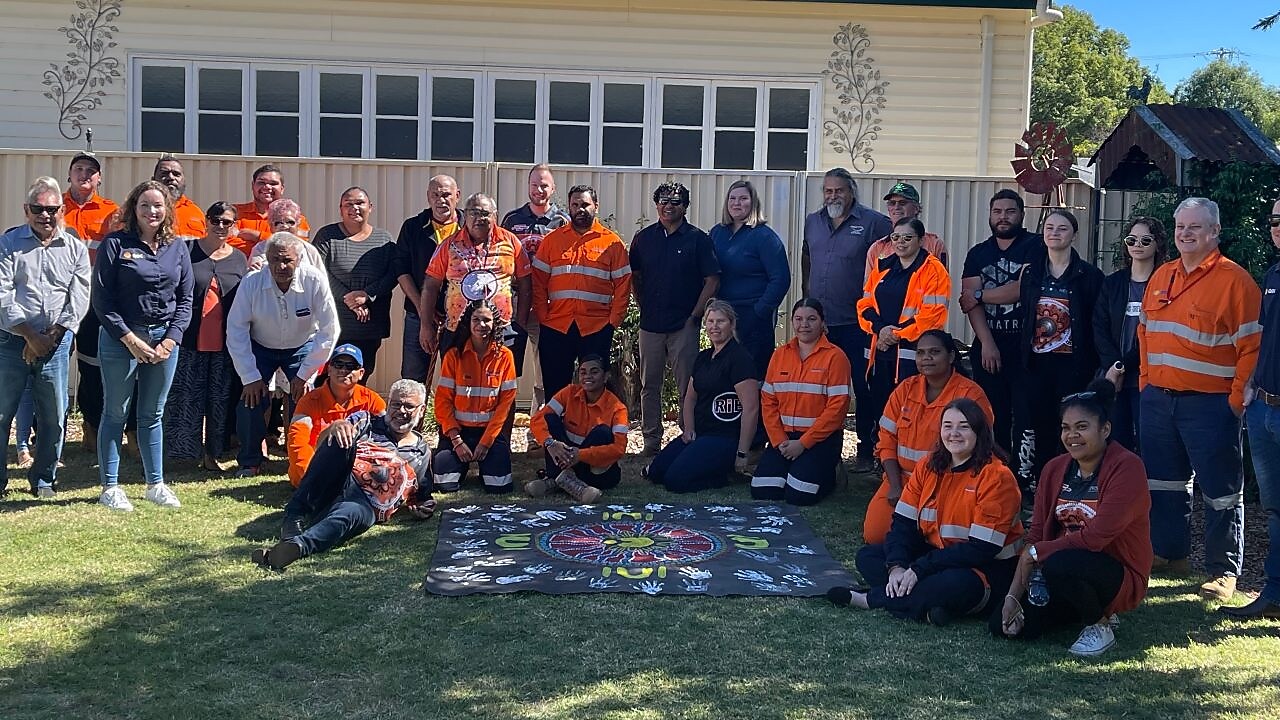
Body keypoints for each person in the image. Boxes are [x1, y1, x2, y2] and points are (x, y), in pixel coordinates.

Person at [1139, 197, 1260, 602]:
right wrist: (1145, 382)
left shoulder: (1235, 281)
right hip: (1159, 400)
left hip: (1211, 405)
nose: (1186, 234)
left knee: (1221, 491)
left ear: (1214, 232)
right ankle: (1170, 554)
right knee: (1164, 483)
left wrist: (1236, 400)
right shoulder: (1162, 275)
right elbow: (1143, 332)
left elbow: (1252, 347)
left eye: (1195, 227)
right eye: (1180, 227)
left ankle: (1223, 572)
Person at [993, 379, 1152, 657]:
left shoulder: (1127, 467)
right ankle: (1081, 608)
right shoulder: (1055, 468)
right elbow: (1037, 533)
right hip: (1058, 568)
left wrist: (1037, 552)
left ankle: (1099, 625)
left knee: (1060, 563)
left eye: (1082, 427)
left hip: (1115, 573)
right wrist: (1012, 598)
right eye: (1066, 428)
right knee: (1005, 626)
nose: (1072, 436)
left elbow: (1096, 537)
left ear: (1105, 429)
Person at [830, 398, 1023, 625]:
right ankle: (931, 607)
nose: (954, 433)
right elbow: (902, 524)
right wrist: (897, 567)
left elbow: (981, 550)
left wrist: (919, 569)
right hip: (936, 556)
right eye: (948, 426)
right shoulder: (928, 465)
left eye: (964, 426)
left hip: (985, 568)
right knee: (868, 556)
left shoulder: (997, 477)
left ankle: (872, 599)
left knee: (952, 583)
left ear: (979, 432)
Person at [254, 380, 434, 571]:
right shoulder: (366, 421)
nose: (401, 411)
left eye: (409, 406)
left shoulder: (422, 453)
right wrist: (334, 428)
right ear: (388, 403)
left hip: (365, 503)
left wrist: (422, 508)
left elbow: (422, 498)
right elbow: (322, 448)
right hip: (338, 480)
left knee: (351, 515)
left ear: (421, 410)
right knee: (340, 437)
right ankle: (294, 515)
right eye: (396, 404)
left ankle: (296, 548)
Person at [92, 180, 194, 512]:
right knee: (116, 412)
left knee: (152, 414)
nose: (152, 212)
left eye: (158, 206)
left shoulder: (177, 247)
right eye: (145, 205)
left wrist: (170, 340)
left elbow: (185, 300)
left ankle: (155, 484)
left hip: (164, 340)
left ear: (168, 211)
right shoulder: (115, 243)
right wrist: (130, 339)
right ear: (133, 209)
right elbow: (102, 300)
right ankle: (110, 486)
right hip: (122, 339)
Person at [0, 177, 91, 497]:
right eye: (38, 208)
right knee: (2, 413)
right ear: (27, 210)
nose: (45, 215)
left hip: (56, 342)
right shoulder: (8, 243)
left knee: (53, 415)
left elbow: (79, 296)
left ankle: (43, 479)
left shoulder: (75, 247)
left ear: (61, 210)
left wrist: (52, 336)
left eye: (52, 209)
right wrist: (28, 336)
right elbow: (3, 293)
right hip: (11, 341)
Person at [863, 330, 992, 544]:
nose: (926, 358)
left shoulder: (971, 394)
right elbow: (885, 441)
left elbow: (979, 449)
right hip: (902, 479)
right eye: (920, 353)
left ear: (951, 356)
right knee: (875, 536)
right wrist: (895, 485)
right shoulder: (905, 389)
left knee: (936, 540)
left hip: (947, 482)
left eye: (934, 352)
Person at [226, 232, 340, 477]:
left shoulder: (315, 280)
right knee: (250, 399)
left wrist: (305, 374)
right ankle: (250, 461)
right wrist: (250, 376)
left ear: (299, 259)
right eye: (275, 259)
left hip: (301, 346)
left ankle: (300, 456)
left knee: (303, 398)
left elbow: (330, 330)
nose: (281, 266)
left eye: (287, 260)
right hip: (260, 346)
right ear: (266, 259)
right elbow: (236, 329)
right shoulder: (252, 282)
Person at [802, 168, 892, 472]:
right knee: (821, 388)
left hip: (858, 324)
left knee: (864, 387)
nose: (832, 196)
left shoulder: (874, 223)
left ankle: (868, 451)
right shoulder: (813, 221)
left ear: (851, 191)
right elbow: (807, 259)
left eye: (838, 190)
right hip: (821, 323)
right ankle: (823, 448)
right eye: (828, 191)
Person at [1010, 209, 1103, 494]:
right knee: (1038, 426)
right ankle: (1040, 488)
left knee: (1070, 426)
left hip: (1073, 366)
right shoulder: (1031, 273)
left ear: (1073, 234)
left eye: (1062, 228)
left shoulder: (1089, 275)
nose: (1054, 233)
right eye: (1049, 227)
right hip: (1037, 363)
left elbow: (1095, 322)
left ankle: (1071, 485)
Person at [630, 181, 720, 455]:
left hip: (684, 325)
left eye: (675, 202)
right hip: (651, 326)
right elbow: (634, 276)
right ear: (656, 204)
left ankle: (687, 437)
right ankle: (650, 442)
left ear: (685, 206)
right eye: (663, 201)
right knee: (649, 386)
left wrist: (696, 315)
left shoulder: (698, 239)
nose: (668, 206)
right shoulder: (643, 238)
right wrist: (642, 305)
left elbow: (713, 279)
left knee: (688, 386)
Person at [1222, 197, 1280, 619]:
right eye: (1275, 219)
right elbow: (1262, 339)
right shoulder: (1273, 274)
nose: (1277, 226)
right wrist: (1250, 388)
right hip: (1264, 409)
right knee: (1275, 508)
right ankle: (1273, 594)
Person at [163, 201, 247, 471]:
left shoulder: (238, 259)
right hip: (189, 339)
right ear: (206, 221)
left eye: (227, 222)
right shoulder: (187, 250)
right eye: (215, 220)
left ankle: (213, 454)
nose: (220, 226)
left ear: (234, 226)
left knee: (219, 401)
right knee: (185, 398)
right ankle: (183, 455)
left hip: (224, 345)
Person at [958, 189, 1043, 453]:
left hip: (1027, 346)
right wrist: (987, 343)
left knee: (1028, 415)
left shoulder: (1036, 246)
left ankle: (1025, 475)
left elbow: (1022, 289)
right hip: (989, 343)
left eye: (1010, 211)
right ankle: (996, 469)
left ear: (1021, 214)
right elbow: (969, 302)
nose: (1003, 217)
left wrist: (982, 294)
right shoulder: (978, 253)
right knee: (992, 414)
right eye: (997, 212)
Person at [645, 300, 759, 493]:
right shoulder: (703, 357)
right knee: (655, 473)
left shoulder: (740, 359)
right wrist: (689, 429)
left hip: (725, 437)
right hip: (700, 434)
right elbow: (690, 398)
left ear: (732, 325)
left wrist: (742, 452)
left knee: (676, 481)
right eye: (710, 321)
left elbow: (751, 408)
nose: (715, 326)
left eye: (720, 321)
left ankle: (724, 476)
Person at [530, 185, 631, 399]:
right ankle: (557, 431)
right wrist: (542, 314)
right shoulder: (552, 240)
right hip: (557, 325)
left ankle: (592, 431)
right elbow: (538, 282)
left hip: (596, 327)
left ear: (596, 206)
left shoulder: (612, 243)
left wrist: (614, 320)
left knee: (594, 390)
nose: (580, 209)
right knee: (556, 391)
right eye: (575, 205)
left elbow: (623, 284)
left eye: (585, 204)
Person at [856, 216, 951, 439]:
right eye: (896, 237)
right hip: (879, 353)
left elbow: (932, 315)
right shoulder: (882, 267)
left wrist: (894, 334)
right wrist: (880, 330)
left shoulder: (934, 271)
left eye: (908, 237)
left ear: (920, 241)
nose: (900, 242)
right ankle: (883, 461)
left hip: (913, 356)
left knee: (911, 411)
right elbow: (864, 305)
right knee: (882, 409)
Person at [752, 299, 851, 506]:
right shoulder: (779, 355)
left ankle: (830, 473)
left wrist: (803, 444)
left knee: (799, 496)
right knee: (763, 490)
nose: (804, 325)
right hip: (785, 439)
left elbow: (837, 409)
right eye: (798, 319)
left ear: (823, 323)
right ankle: (794, 469)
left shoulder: (836, 357)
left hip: (819, 439)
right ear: (792, 321)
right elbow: (768, 401)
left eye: (811, 319)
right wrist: (779, 441)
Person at [419, 193, 531, 366]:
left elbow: (525, 283)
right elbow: (430, 286)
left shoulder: (511, 242)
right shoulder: (449, 245)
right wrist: (426, 326)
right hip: (457, 329)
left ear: (495, 216)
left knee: (501, 385)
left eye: (485, 213)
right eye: (474, 212)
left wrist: (521, 323)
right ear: (465, 215)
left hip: (503, 328)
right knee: (457, 384)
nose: (480, 218)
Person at [501, 164, 569, 429]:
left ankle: (538, 431)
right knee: (507, 365)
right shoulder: (511, 219)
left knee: (545, 370)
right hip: (513, 303)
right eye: (534, 185)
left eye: (544, 185)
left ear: (553, 189)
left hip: (547, 304)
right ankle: (501, 428)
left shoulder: (562, 221)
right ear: (527, 186)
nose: (539, 190)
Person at [1093, 217, 1168, 452]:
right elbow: (1099, 326)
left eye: (1146, 240)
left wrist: (1121, 366)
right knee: (1116, 441)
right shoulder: (1113, 283)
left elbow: (1153, 332)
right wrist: (1113, 366)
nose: (1138, 244)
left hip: (1148, 377)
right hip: (1113, 378)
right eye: (1131, 239)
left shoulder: (1166, 284)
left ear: (1158, 244)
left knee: (1150, 443)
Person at [312, 187, 398, 380]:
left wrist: (366, 295)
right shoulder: (327, 236)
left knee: (359, 378)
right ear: (340, 209)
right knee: (325, 380)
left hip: (369, 327)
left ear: (370, 207)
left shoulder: (383, 239)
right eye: (348, 204)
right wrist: (349, 299)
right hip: (332, 325)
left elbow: (393, 274)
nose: (354, 208)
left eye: (360, 203)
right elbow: (318, 272)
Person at [63, 152, 118, 450]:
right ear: (69, 174)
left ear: (99, 178)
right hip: (59, 298)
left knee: (91, 365)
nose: (85, 174)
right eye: (79, 169)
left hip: (95, 299)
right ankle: (43, 434)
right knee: (51, 365)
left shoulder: (111, 211)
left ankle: (91, 426)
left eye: (91, 170)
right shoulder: (55, 208)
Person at [431, 301, 517, 494]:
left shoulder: (505, 357)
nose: (481, 325)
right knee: (444, 485)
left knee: (499, 487)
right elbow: (443, 400)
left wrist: (486, 443)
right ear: (468, 323)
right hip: (458, 433)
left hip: (489, 434)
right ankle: (459, 465)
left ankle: (486, 469)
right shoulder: (454, 355)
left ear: (495, 323)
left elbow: (505, 407)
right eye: (476, 319)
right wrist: (456, 441)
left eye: (487, 320)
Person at [709, 180, 790, 379]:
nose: (737, 203)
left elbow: (781, 279)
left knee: (752, 375)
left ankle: (756, 412)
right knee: (725, 374)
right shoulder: (717, 233)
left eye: (743, 198)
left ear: (753, 203)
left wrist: (760, 311)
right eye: (733, 198)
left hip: (754, 317)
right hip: (723, 316)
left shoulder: (764, 237)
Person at [526, 355, 629, 503]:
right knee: (550, 419)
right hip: (565, 458)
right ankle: (570, 483)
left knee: (603, 432)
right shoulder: (569, 392)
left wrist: (580, 455)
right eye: (583, 372)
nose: (588, 376)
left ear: (605, 376)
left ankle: (556, 481)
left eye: (594, 372)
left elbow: (618, 449)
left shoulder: (617, 408)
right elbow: (537, 419)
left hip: (593, 468)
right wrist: (550, 443)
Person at [287, 343, 386, 487]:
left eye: (351, 366)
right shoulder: (309, 401)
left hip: (357, 472)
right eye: (338, 364)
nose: (344, 370)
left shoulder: (372, 400)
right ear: (329, 369)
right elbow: (297, 443)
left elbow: (386, 440)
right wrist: (312, 478)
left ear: (361, 373)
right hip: (314, 470)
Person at [397, 174, 462, 382]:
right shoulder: (413, 227)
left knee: (458, 378)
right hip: (418, 316)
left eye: (446, 195)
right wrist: (422, 309)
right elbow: (401, 270)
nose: (441, 200)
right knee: (413, 379)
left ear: (457, 196)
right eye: (435, 195)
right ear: (428, 197)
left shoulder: (469, 228)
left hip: (459, 318)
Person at [864, 181, 948, 273]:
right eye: (892, 203)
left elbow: (941, 281)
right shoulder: (878, 248)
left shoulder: (934, 244)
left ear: (916, 208)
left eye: (902, 203)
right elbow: (869, 285)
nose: (896, 207)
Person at [232, 164, 310, 255]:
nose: (267, 187)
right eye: (261, 182)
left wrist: (257, 236)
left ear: (282, 188)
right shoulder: (234, 213)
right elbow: (224, 243)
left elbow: (298, 245)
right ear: (253, 186)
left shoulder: (296, 219)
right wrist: (272, 242)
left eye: (273, 183)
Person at [248, 199, 323, 268]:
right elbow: (251, 278)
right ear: (270, 225)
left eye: (290, 222)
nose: (285, 226)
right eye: (278, 223)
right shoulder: (260, 249)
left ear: (298, 224)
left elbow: (321, 280)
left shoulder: (309, 251)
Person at [152, 154, 205, 239]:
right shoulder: (142, 212)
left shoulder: (196, 212)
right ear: (153, 180)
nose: (171, 177)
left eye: (176, 174)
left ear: (184, 181)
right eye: (164, 174)